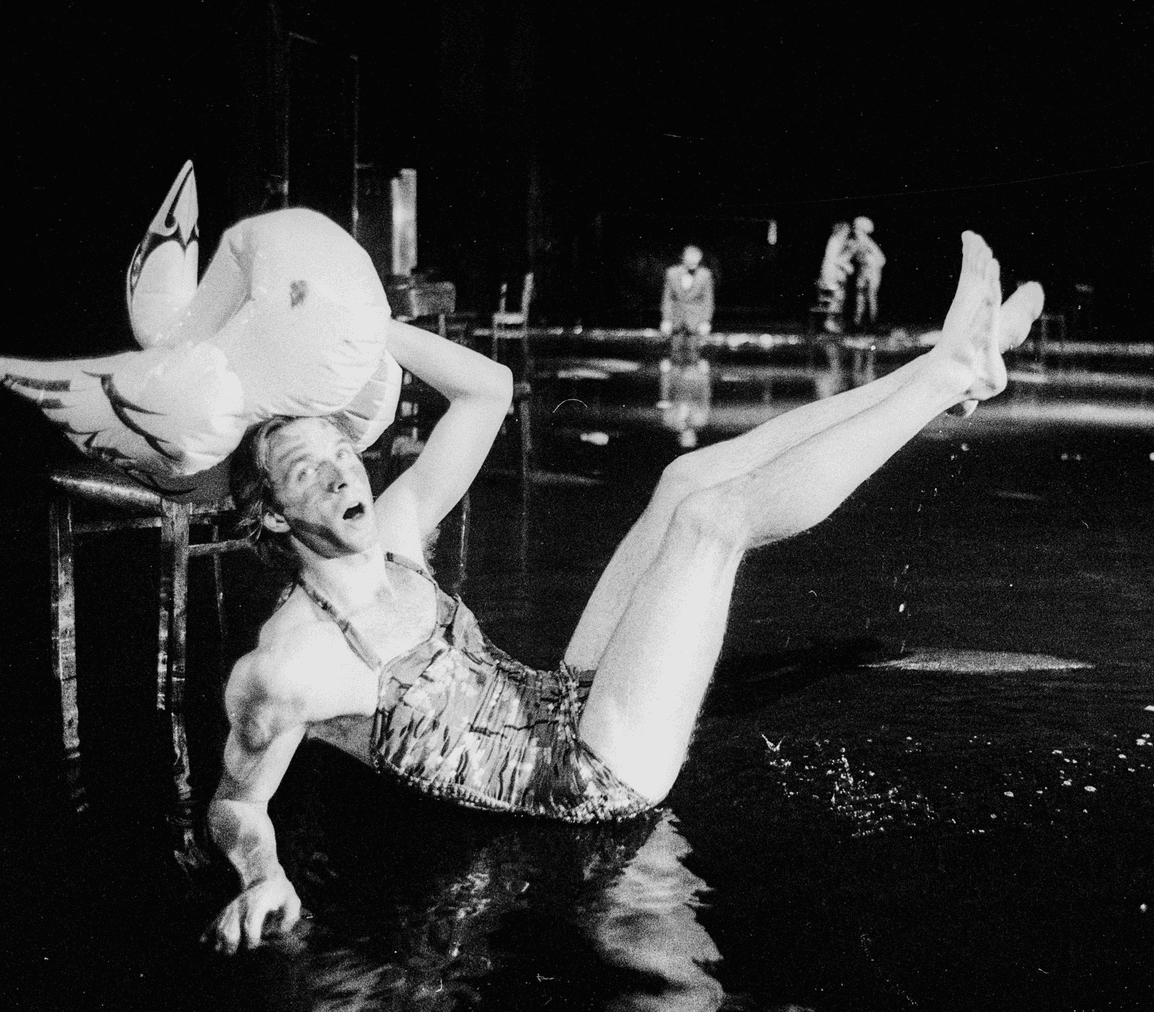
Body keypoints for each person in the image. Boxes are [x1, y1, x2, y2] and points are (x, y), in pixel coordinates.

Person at [203, 231, 1044, 954]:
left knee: (685, 481)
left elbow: (485, 390)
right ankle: (949, 378)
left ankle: (943, 368)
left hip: (564, 698)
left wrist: (358, 324)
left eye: (341, 453)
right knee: (712, 521)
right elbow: (238, 804)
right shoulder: (286, 665)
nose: (341, 475)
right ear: (273, 516)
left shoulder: (393, 528)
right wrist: (262, 876)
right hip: (589, 778)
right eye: (308, 473)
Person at [657, 246, 715, 446]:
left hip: (695, 322)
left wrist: (706, 321)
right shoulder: (672, 273)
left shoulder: (705, 275)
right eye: (689, 261)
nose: (693, 265)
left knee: (693, 357)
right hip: (676, 320)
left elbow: (708, 299)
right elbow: (667, 297)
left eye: (696, 262)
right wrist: (665, 319)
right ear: (683, 259)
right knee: (674, 357)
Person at [816, 221, 854, 334]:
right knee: (835, 298)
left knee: (839, 298)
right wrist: (847, 266)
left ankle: (833, 322)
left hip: (836, 274)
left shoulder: (840, 241)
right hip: (831, 274)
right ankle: (829, 322)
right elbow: (833, 258)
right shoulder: (834, 241)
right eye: (846, 231)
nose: (847, 233)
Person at [850, 215, 886, 330]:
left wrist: (872, 267)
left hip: (872, 270)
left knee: (870, 295)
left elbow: (881, 259)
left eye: (857, 228)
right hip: (864, 270)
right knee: (860, 296)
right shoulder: (857, 241)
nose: (855, 230)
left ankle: (872, 322)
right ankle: (858, 321)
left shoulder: (867, 242)